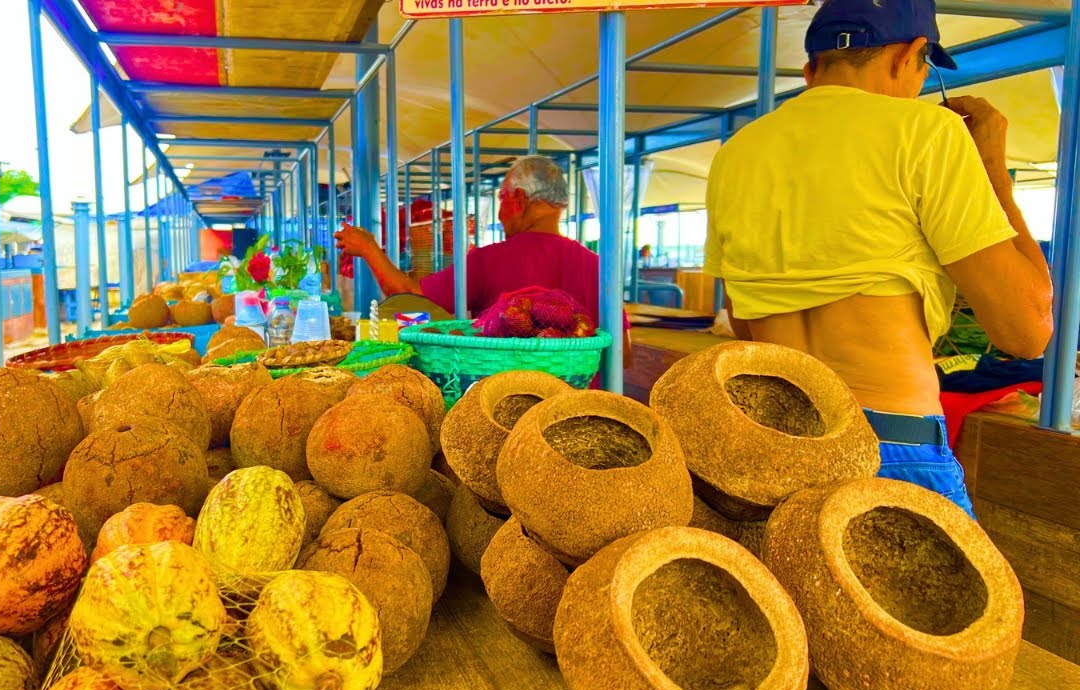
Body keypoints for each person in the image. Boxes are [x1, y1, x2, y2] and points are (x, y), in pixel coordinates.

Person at [704, 0, 1053, 516]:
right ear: (910, 56)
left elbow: (743, 320)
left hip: (778, 443)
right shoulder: (925, 131)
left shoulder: (736, 153)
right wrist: (993, 171)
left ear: (811, 71)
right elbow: (1027, 331)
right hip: (892, 441)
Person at [335, 155, 630, 361]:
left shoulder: (489, 260)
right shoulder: (599, 267)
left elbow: (409, 296)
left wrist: (369, 249)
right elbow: (623, 355)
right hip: (584, 409)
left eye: (501, 199)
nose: (499, 214)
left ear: (518, 199)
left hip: (503, 404)